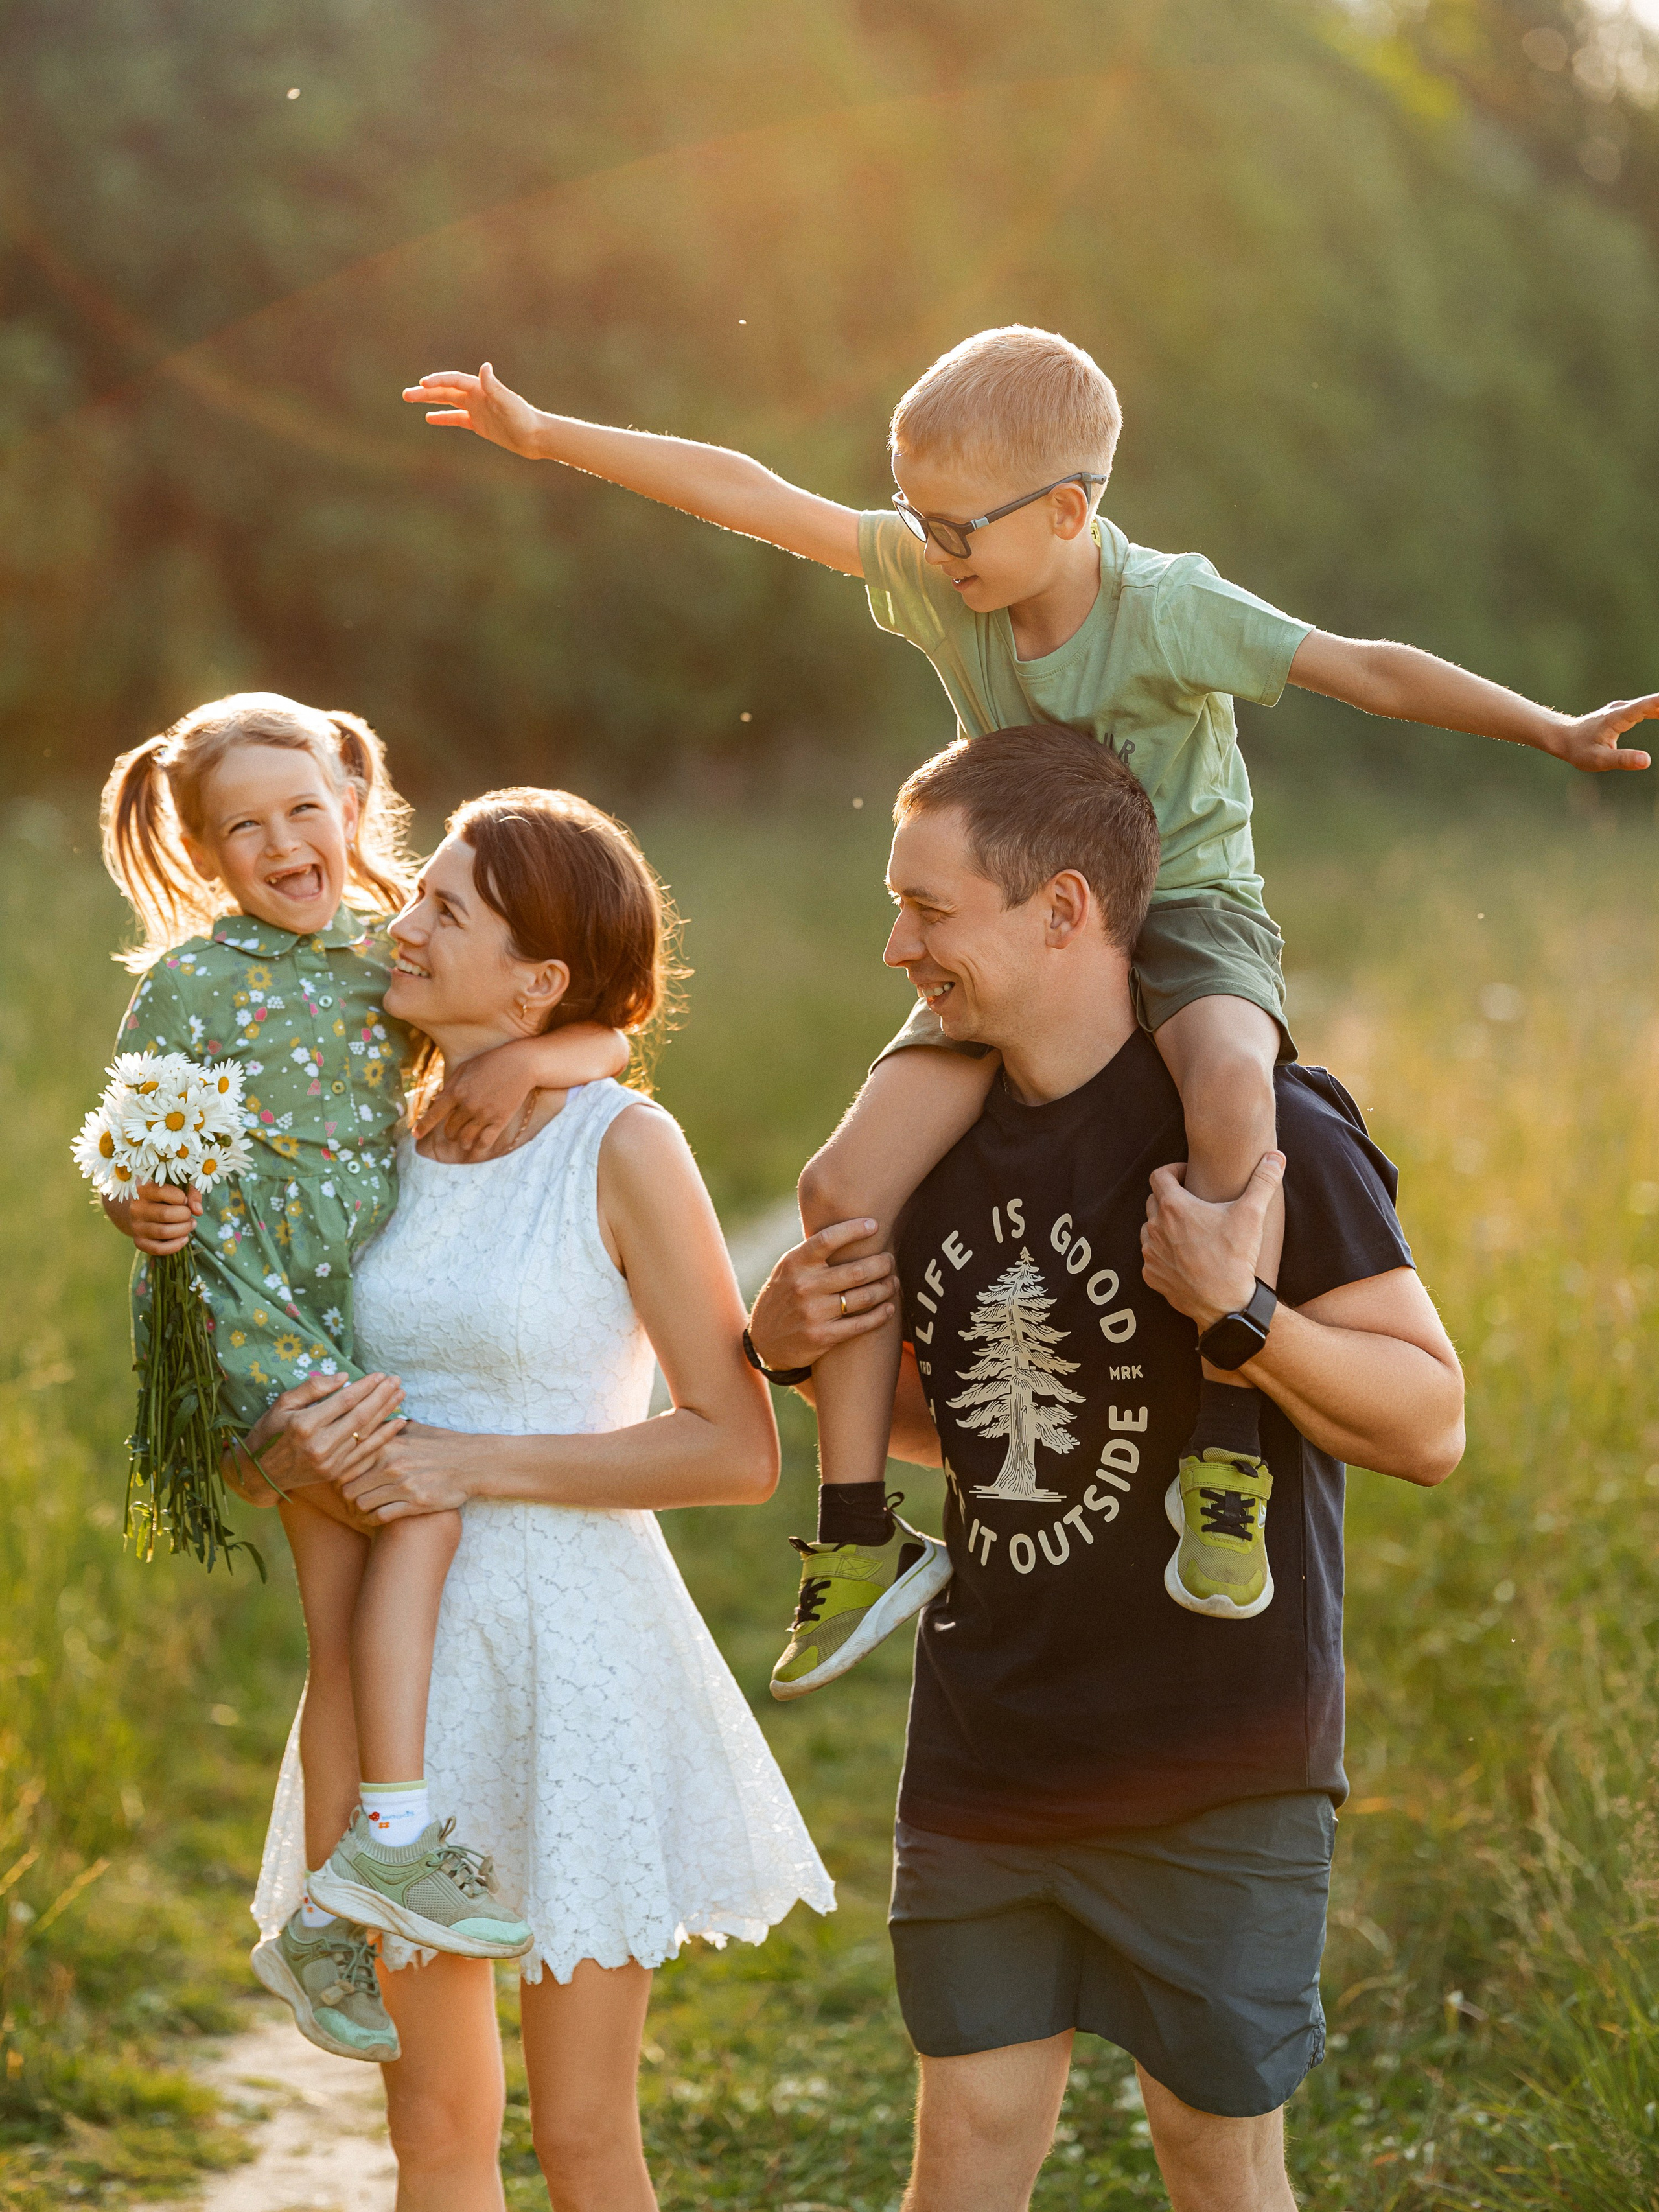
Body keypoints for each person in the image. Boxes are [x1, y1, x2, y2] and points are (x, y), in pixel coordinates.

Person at [402, 331, 1645, 1695]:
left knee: (1232, 1090)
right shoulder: (947, 582)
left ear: (1068, 511)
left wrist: (1546, 727)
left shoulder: (1169, 608)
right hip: (1010, 922)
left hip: (1182, 907)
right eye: (915, 520)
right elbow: (747, 491)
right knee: (841, 1184)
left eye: (955, 529)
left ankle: (1222, 1461)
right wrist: (545, 435)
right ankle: (861, 1528)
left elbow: (1365, 667)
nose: (930, 554)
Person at [745, 725, 1465, 2212]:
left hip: (1214, 1763)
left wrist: (1242, 1313)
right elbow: (974, 1429)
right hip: (984, 1750)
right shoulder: (927, 1153)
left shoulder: (1268, 1143)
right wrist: (787, 1347)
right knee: (961, 2166)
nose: (896, 947)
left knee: (1214, 2169)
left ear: (1062, 909)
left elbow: (1426, 1422)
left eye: (930, 911)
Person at [237, 785, 834, 2212]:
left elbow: (733, 1449)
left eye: (446, 907)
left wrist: (468, 1461)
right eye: (418, 890)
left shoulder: (621, 1146)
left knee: (581, 2136)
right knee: (436, 2137)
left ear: (540, 980)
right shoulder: (361, 1136)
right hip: (406, 1676)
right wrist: (289, 1449)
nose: (405, 918)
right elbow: (268, 1414)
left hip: (577, 1663)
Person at [98, 697, 631, 2060]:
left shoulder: (378, 957)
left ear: (350, 803)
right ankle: (387, 1843)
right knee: (425, 1511)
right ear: (203, 854)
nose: (282, 841)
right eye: (243, 827)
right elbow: (134, 1152)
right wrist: (142, 1212)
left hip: (356, 1332)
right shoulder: (191, 985)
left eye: (302, 809)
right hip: (255, 1324)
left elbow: (580, 1030)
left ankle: (330, 1923)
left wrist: (559, 1053)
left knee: (339, 1642)